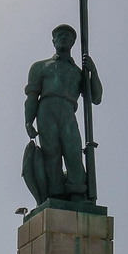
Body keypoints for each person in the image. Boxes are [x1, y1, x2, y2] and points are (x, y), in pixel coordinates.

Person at [24, 24, 102, 201]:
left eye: (67, 35)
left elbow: (96, 98)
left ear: (74, 41)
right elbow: (32, 96)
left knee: (73, 151)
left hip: (67, 110)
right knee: (51, 153)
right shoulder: (40, 66)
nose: (63, 37)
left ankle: (76, 191)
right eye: (59, 35)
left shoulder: (77, 72)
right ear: (53, 40)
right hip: (46, 110)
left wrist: (93, 72)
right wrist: (29, 121)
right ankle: (56, 192)